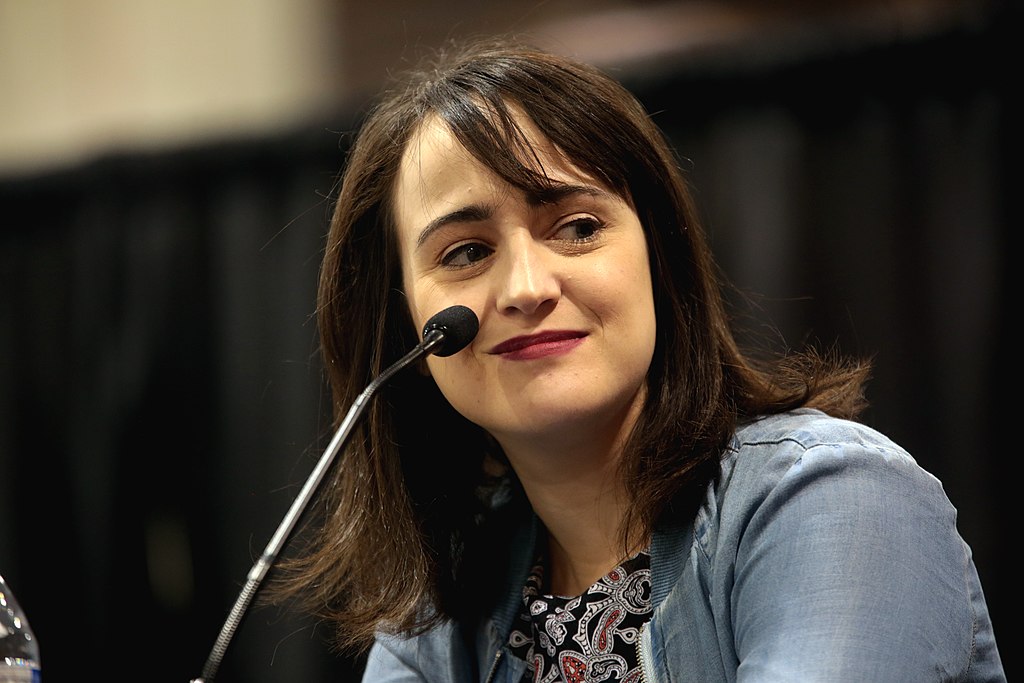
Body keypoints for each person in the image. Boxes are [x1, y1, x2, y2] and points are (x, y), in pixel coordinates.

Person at [269, 37, 1005, 682]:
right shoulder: (441, 605)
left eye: (578, 227)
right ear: (405, 327)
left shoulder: (834, 500)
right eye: (467, 252)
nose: (527, 287)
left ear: (660, 258)